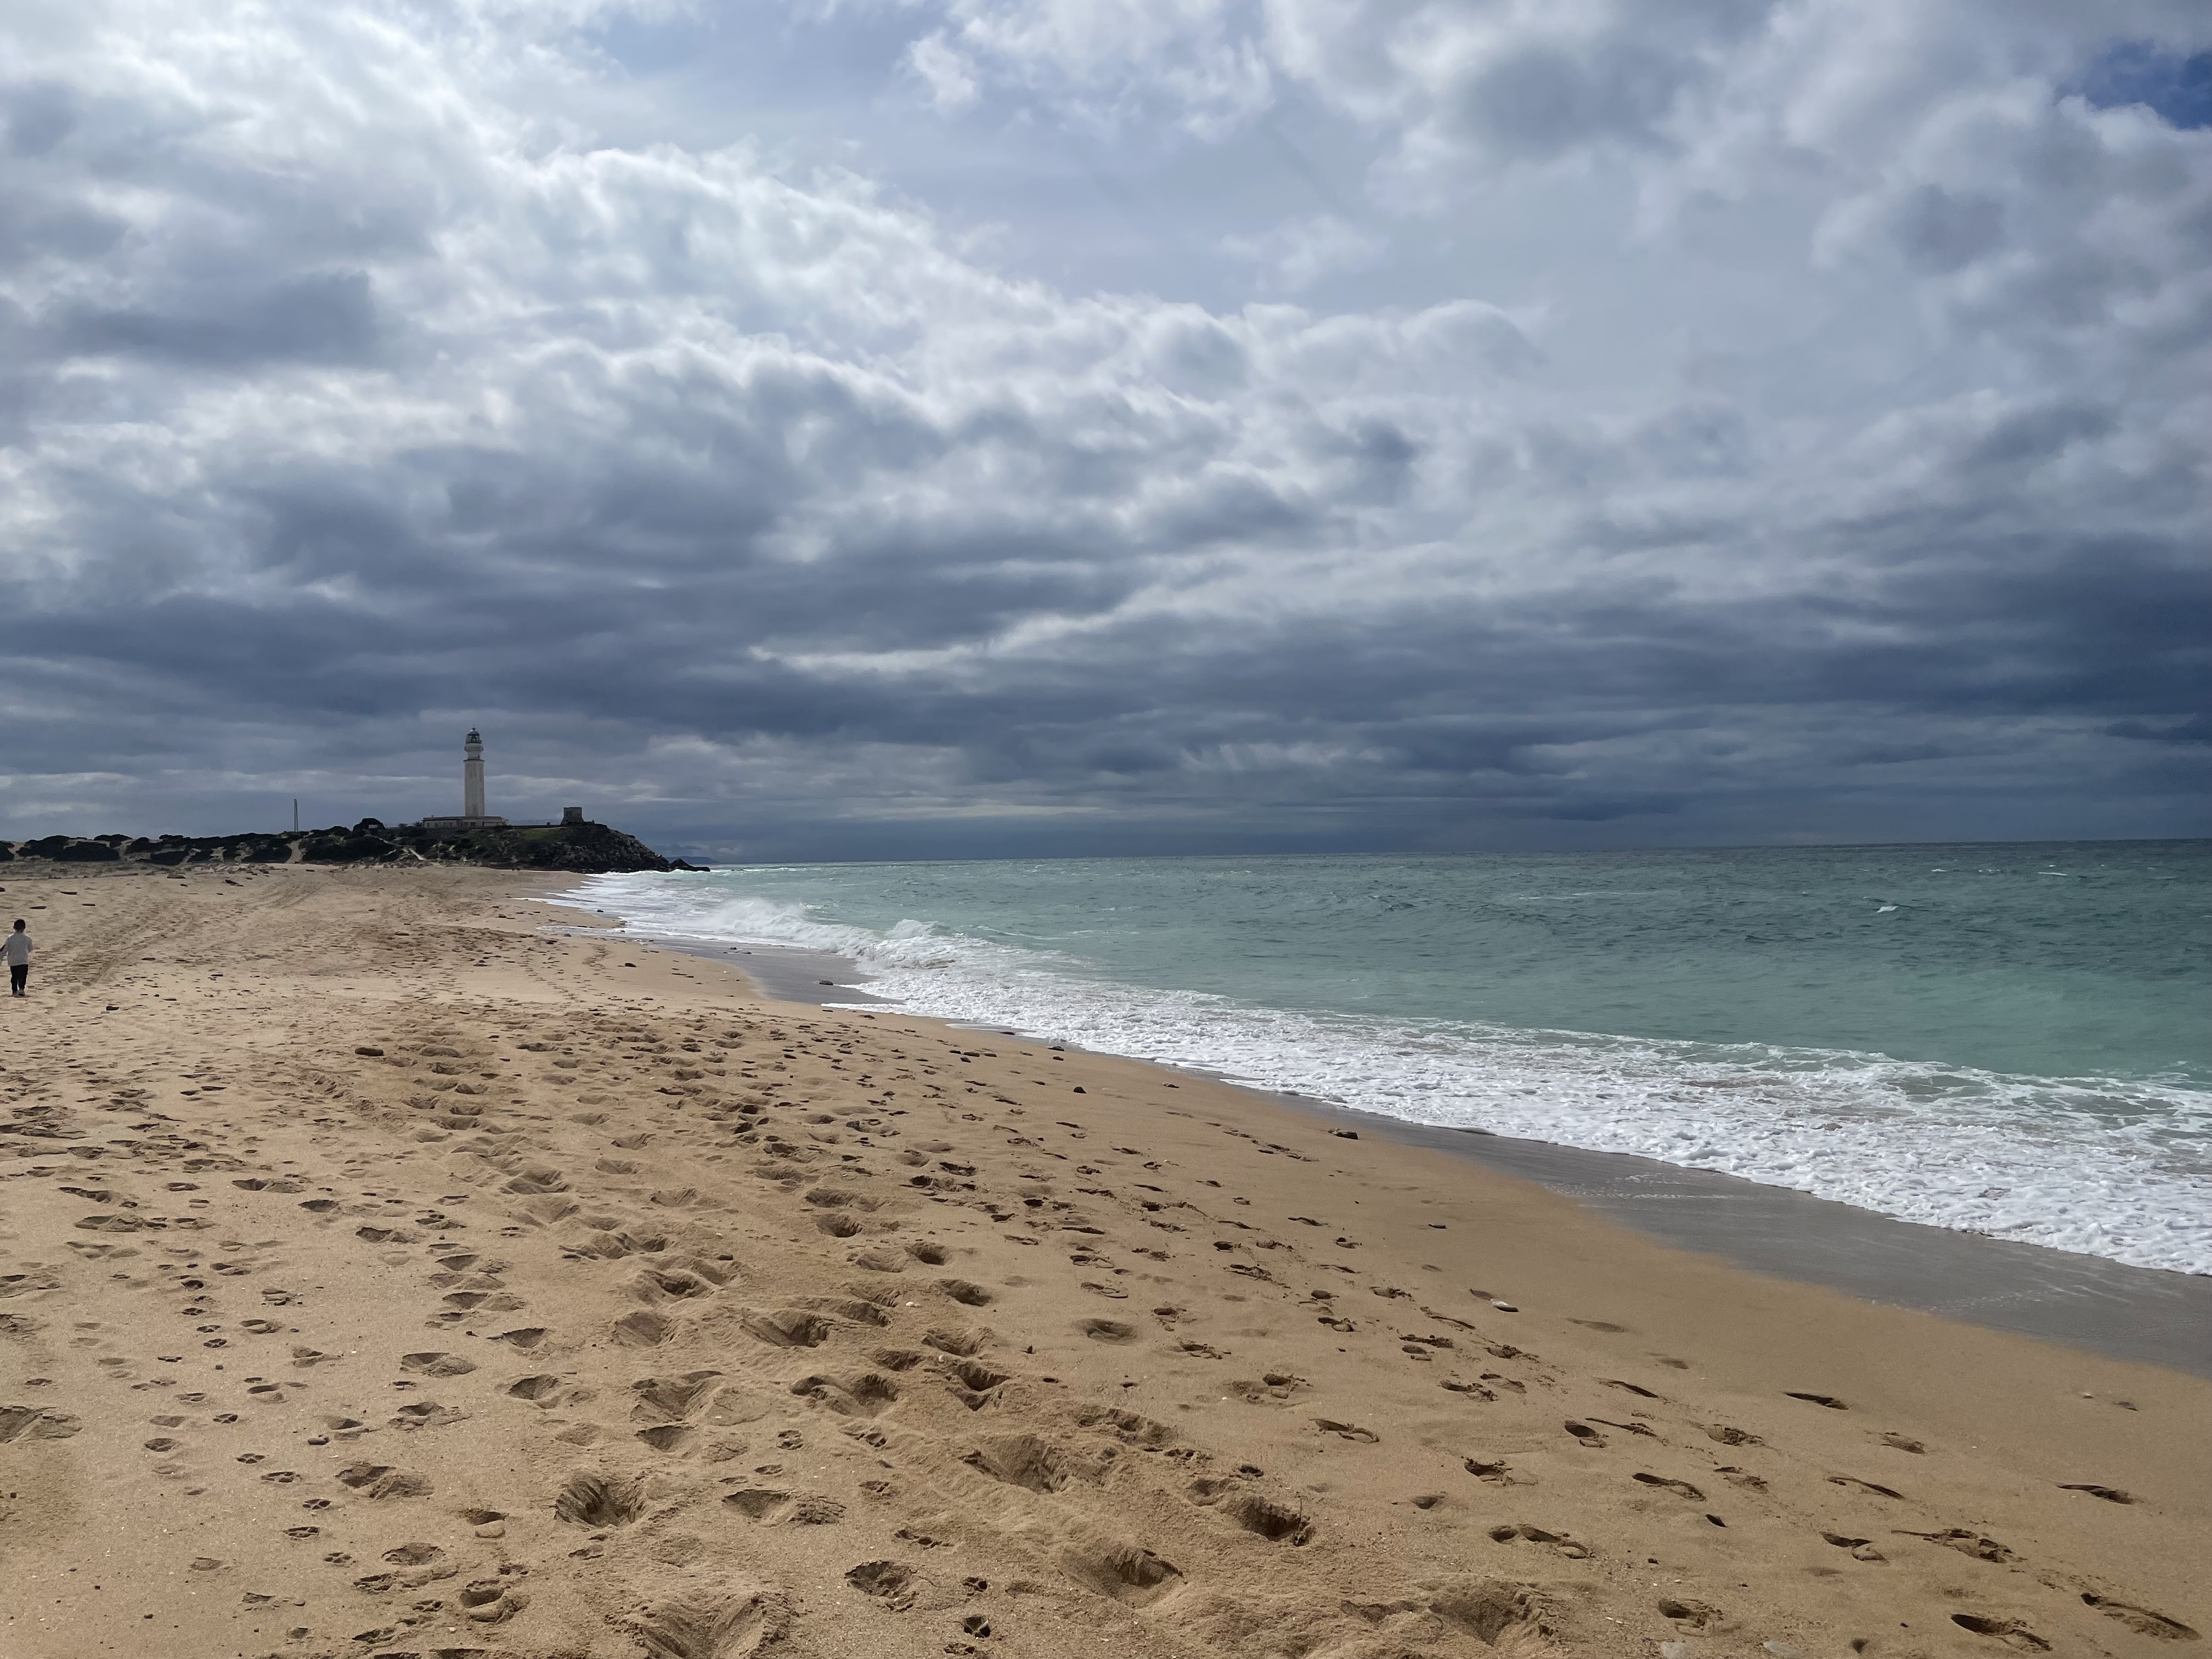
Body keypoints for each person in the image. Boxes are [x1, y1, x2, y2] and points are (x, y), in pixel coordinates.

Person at [4, 921, 31, 996]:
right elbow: (30, 948)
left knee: (14, 976)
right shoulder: (27, 938)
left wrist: (1, 956)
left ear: (14, 928)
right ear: (24, 928)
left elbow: (5, 949)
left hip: (13, 961)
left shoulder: (10, 938)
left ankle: (14, 990)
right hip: (24, 961)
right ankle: (21, 989)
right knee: (23, 975)